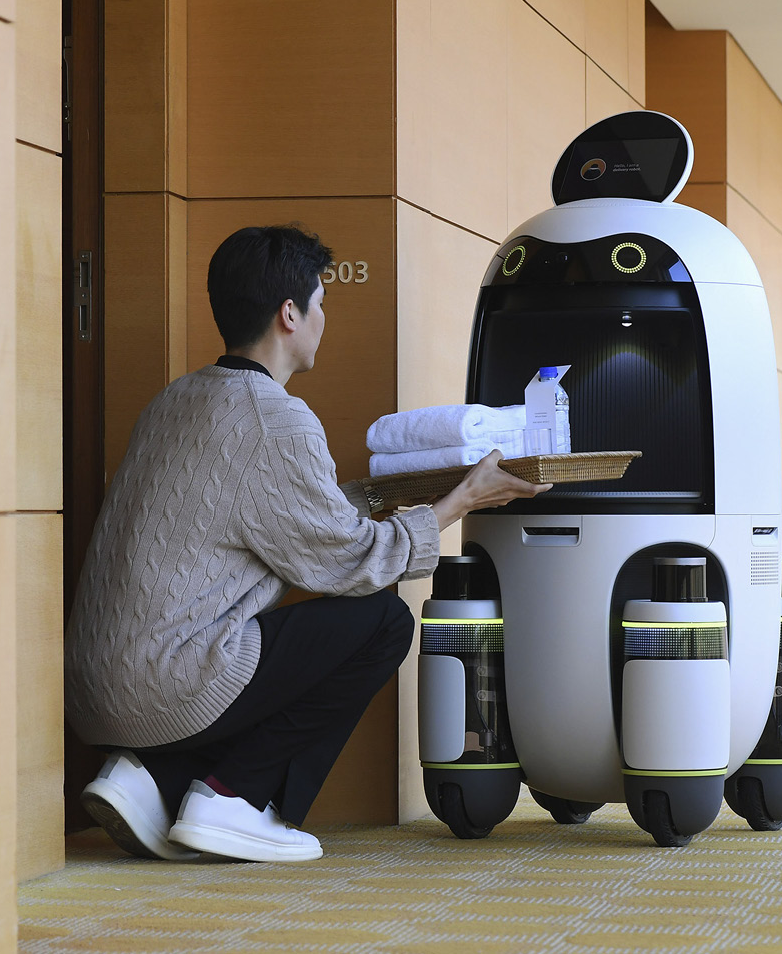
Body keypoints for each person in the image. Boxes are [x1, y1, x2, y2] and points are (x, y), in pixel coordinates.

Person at [65, 224, 550, 863]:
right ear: (288, 314)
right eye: (320, 303)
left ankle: (154, 777)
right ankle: (234, 797)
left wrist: (386, 498)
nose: (325, 319)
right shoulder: (276, 416)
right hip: (168, 685)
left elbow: (283, 517)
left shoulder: (174, 400)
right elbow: (352, 562)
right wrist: (462, 501)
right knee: (380, 621)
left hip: (94, 692)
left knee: (267, 636)